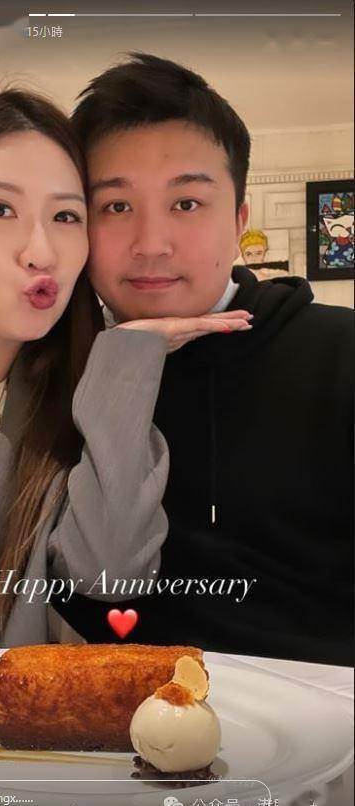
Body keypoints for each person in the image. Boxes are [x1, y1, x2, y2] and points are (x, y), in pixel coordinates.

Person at [0, 87, 250, 652]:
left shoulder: (69, 390)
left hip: (8, 711)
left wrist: (125, 360)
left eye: (65, 216)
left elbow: (111, 578)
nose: (41, 252)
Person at [54, 53, 353, 665]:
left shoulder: (339, 356)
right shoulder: (49, 370)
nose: (151, 244)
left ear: (239, 220)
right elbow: (96, 587)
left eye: (186, 203)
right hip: (114, 710)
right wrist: (124, 369)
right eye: (116, 206)